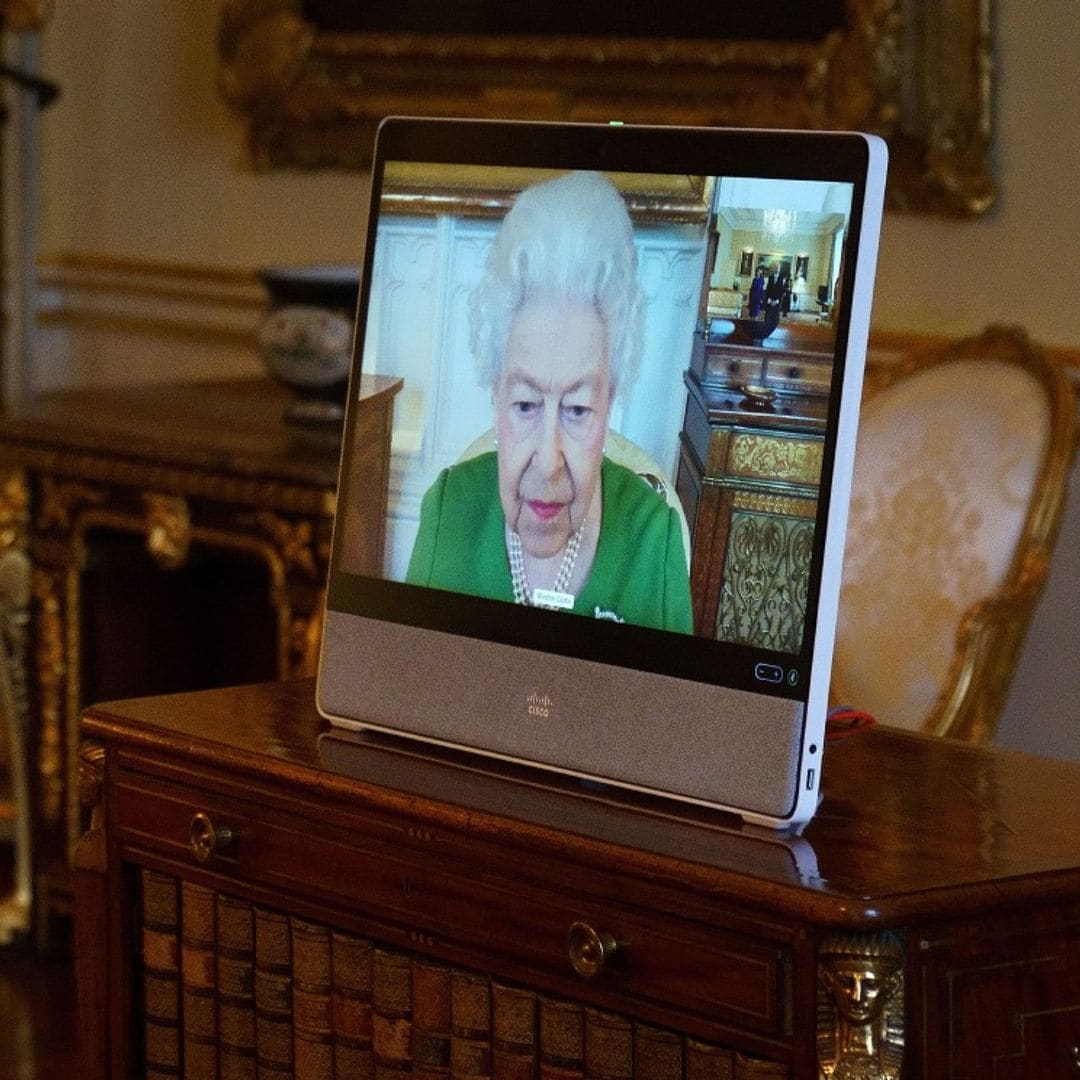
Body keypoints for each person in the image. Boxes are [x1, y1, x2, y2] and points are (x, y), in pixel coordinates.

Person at [406, 171, 693, 634]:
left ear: (609, 402)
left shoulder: (653, 539)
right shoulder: (448, 513)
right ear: (495, 394)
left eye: (578, 409)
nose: (548, 461)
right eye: (525, 404)